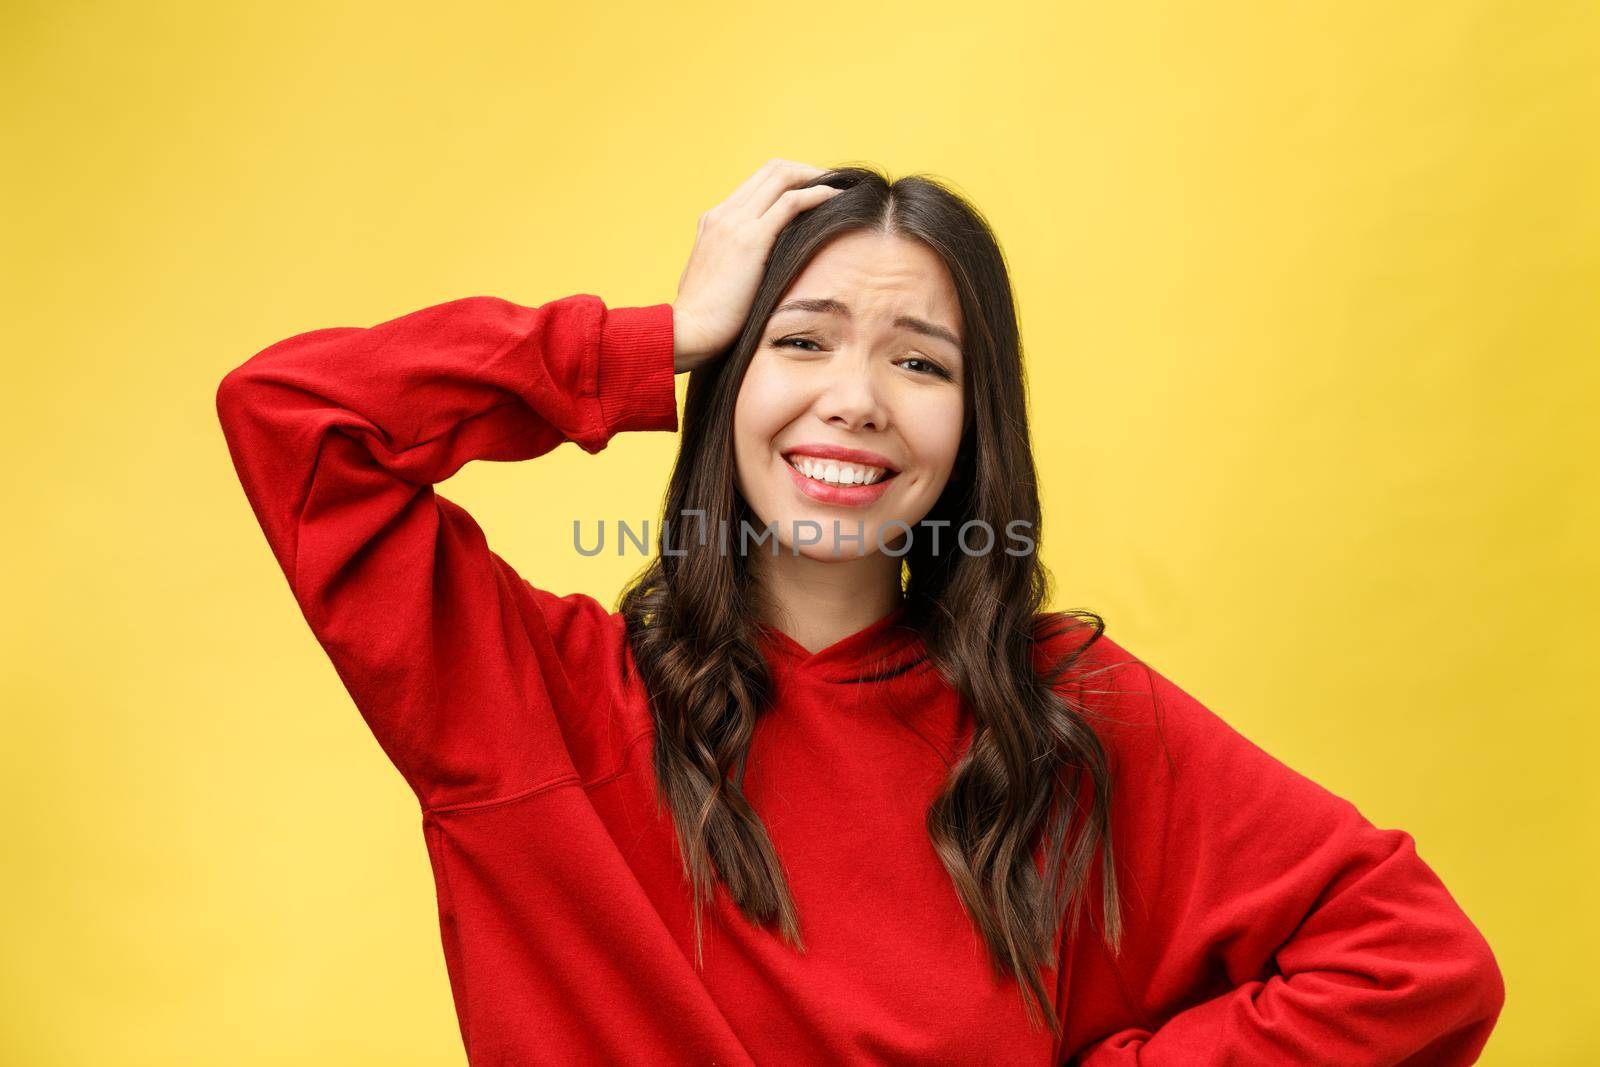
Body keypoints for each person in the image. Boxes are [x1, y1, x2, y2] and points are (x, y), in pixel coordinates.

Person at [214, 159, 1505, 1064]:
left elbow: (1415, 967)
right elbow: (296, 420)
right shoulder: (534, 701)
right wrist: (659, 334)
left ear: (972, 424)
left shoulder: (1062, 717)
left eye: (921, 361)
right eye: (800, 339)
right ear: (724, 382)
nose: (858, 399)